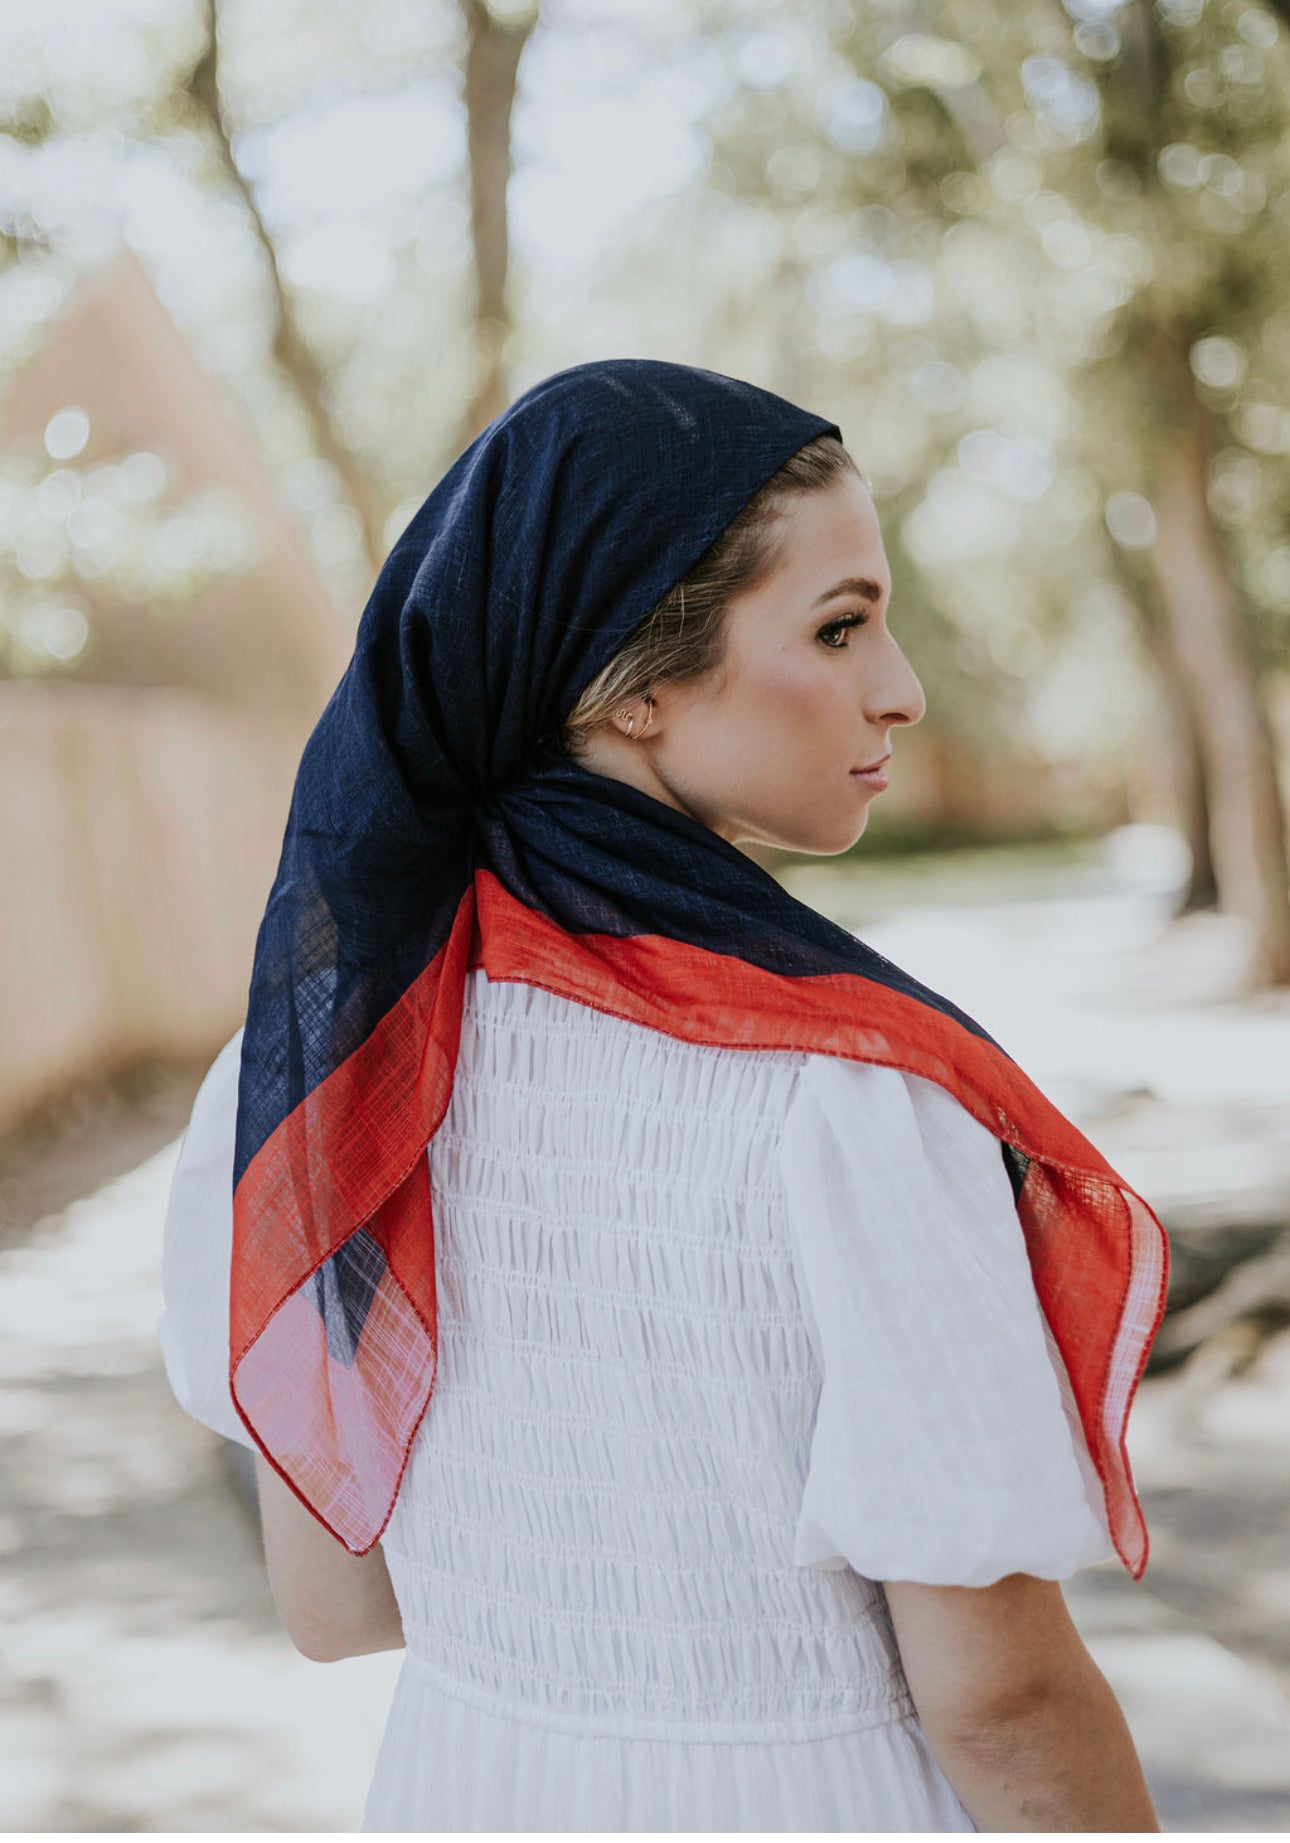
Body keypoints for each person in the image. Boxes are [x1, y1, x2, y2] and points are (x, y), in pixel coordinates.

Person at [159, 358, 1167, 1832]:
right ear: (634, 689)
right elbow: (1002, 1700)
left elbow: (337, 1604)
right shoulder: (847, 1098)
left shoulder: (304, 1079)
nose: (900, 689)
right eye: (837, 629)